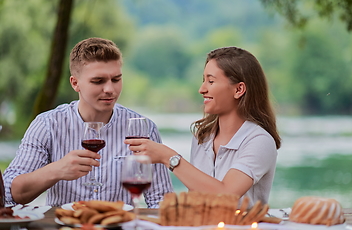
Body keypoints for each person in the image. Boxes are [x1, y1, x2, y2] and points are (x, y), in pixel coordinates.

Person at [3, 37, 173, 208]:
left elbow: (162, 202)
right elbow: (9, 193)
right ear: (75, 83)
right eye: (98, 81)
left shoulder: (143, 129)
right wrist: (56, 170)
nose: (110, 89)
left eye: (116, 79)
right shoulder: (47, 125)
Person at [125, 47, 281, 207]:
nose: (202, 89)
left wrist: (169, 157)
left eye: (211, 81)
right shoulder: (202, 137)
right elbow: (196, 198)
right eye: (203, 80)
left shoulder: (260, 141)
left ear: (239, 89)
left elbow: (226, 194)